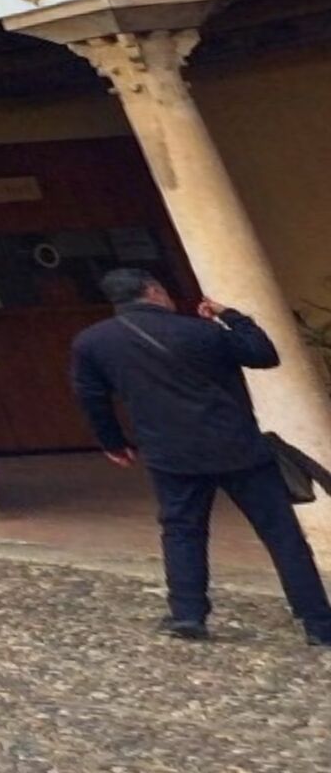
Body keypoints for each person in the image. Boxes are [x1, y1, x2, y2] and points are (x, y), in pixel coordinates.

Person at [70, 267, 331, 644]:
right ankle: (318, 623)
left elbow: (92, 398)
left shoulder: (92, 342)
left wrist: (113, 442)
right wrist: (230, 316)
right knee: (281, 533)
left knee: (182, 531)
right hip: (236, 445)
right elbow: (263, 354)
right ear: (154, 291)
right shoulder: (201, 332)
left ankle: (188, 614)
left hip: (169, 452)